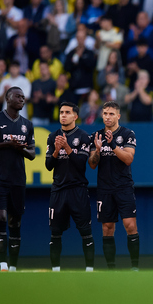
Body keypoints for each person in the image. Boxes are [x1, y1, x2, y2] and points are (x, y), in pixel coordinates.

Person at [0, 86, 35, 271]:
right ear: (7, 98)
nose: (22, 99)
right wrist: (6, 144)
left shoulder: (27, 124)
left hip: (18, 179)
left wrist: (20, 149)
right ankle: (3, 264)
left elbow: (32, 153)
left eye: (23, 97)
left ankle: (13, 267)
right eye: (18, 96)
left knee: (15, 221)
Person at [88, 101, 139, 270]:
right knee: (107, 228)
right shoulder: (96, 136)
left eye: (111, 114)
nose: (107, 117)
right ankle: (111, 268)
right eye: (105, 113)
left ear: (118, 116)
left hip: (124, 187)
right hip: (104, 188)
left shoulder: (127, 134)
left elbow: (128, 159)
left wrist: (113, 145)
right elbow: (92, 164)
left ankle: (135, 267)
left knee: (130, 225)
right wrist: (97, 150)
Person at [45, 102, 94, 272]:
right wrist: (57, 150)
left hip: (77, 189)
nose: (63, 115)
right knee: (55, 233)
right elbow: (48, 165)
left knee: (86, 232)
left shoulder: (83, 136)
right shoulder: (52, 137)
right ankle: (55, 270)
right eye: (61, 112)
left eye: (67, 112)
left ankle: (89, 270)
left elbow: (81, 164)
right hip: (58, 190)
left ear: (75, 116)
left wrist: (66, 147)